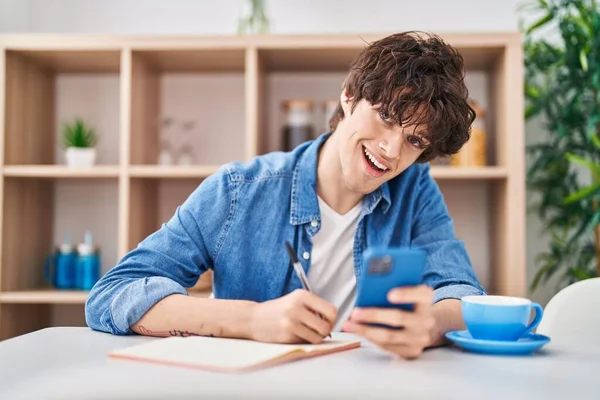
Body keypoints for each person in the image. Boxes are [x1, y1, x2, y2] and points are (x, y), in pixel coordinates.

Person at [85, 31, 486, 360]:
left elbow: (462, 294)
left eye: (414, 141)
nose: (392, 150)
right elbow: (111, 295)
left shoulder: (415, 190)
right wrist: (249, 320)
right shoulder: (239, 190)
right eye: (386, 117)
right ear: (348, 96)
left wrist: (430, 326)